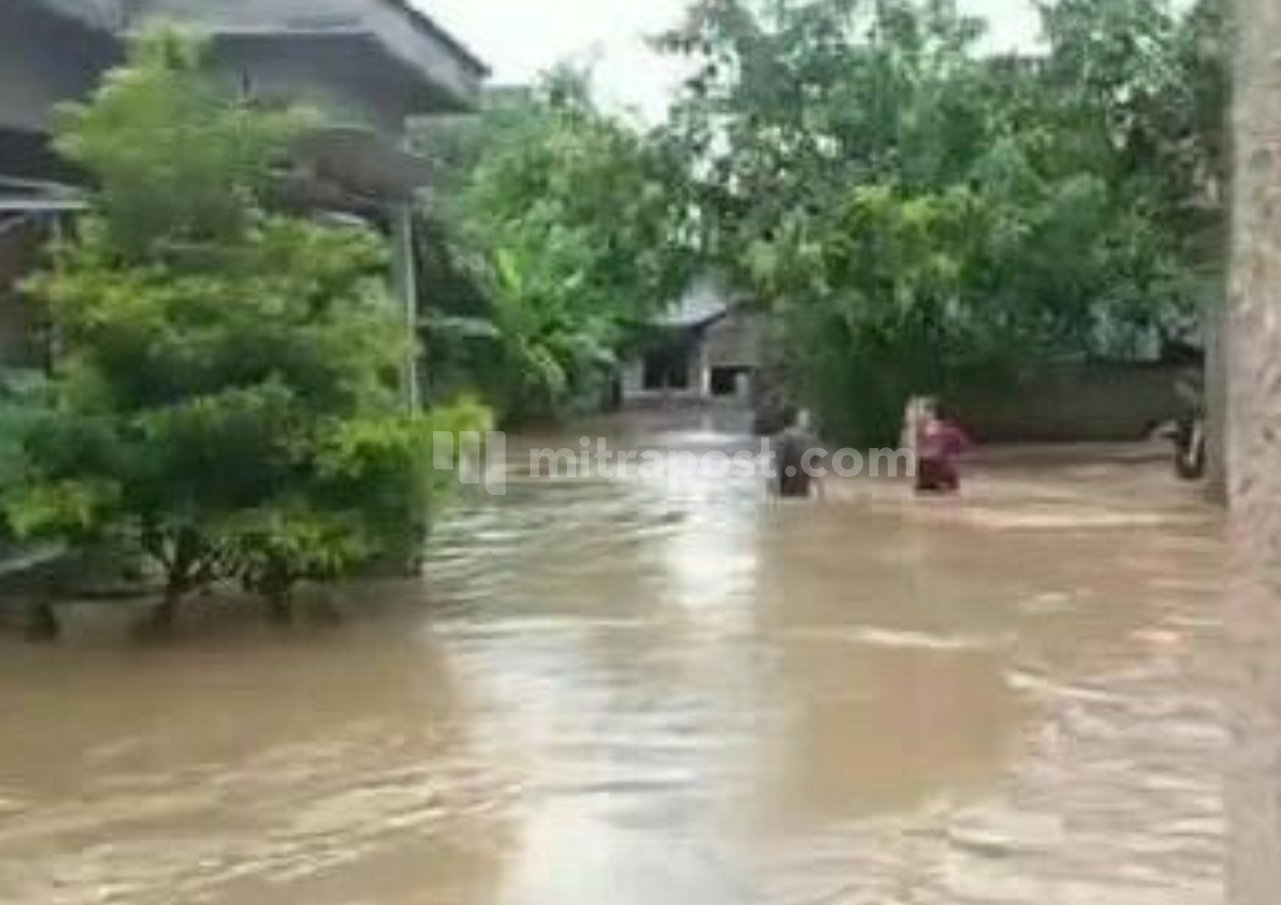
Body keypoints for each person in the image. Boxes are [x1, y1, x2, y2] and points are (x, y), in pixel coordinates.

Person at [915, 400, 971, 494]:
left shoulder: (931, 430)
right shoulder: (950, 430)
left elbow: (962, 446)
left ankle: (936, 482)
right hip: (938, 469)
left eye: (926, 412)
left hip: (933, 468)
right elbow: (964, 447)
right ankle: (939, 482)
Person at [777, 409, 818, 498]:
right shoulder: (810, 437)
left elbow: (778, 458)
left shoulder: (785, 435)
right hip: (798, 469)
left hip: (791, 469)